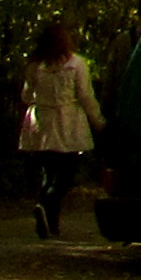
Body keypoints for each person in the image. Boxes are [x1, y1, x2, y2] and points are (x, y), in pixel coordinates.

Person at [18, 20, 101, 238]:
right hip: (67, 125)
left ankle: (49, 222)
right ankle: (46, 208)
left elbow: (26, 96)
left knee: (49, 173)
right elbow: (85, 95)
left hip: (42, 125)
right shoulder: (76, 64)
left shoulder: (35, 65)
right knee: (65, 177)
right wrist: (99, 122)